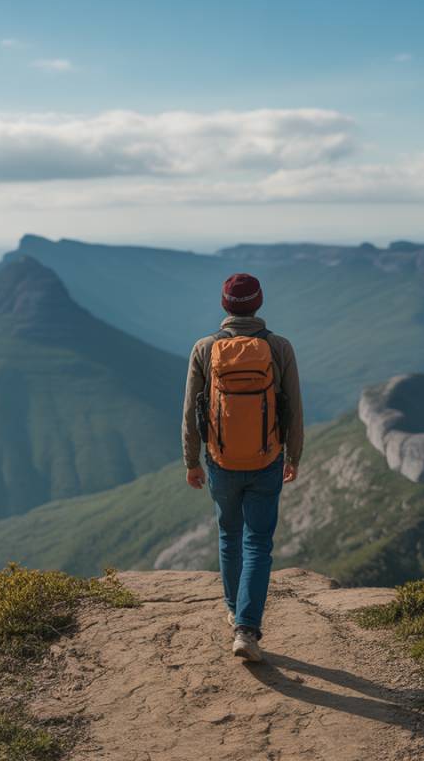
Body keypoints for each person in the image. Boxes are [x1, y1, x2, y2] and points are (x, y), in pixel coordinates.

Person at [182, 273, 304, 662]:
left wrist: (191, 461)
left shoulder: (204, 348)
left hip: (220, 461)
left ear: (224, 305)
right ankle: (247, 629)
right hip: (267, 459)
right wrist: (293, 455)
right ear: (259, 303)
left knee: (229, 535)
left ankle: (235, 610)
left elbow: (190, 412)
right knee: (258, 542)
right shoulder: (279, 347)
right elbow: (295, 408)